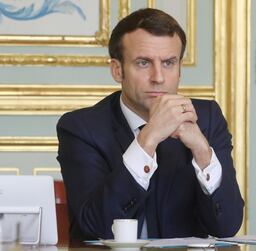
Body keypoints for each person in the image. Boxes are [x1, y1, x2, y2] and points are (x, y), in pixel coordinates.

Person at [56, 8, 244, 241]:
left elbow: (227, 226)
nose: (158, 77)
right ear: (117, 70)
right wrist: (148, 138)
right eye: (144, 63)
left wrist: (202, 151)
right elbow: (94, 227)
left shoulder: (206, 118)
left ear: (179, 68)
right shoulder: (81, 128)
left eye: (168, 63)